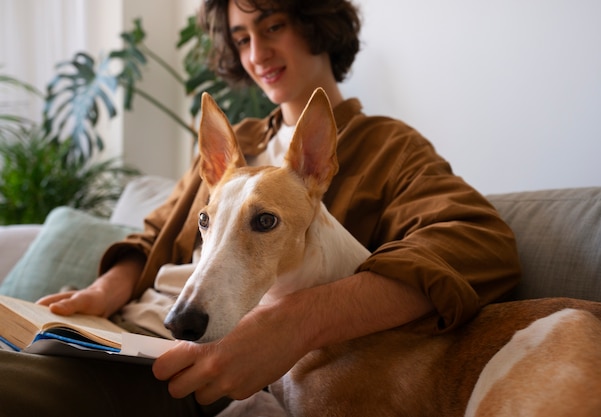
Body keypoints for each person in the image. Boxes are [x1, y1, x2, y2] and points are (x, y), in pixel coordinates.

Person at [0, 0, 521, 415]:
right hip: (122, 334)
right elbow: (156, 234)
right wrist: (100, 293)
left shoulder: (387, 145)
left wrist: (293, 325)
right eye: (242, 39)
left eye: (272, 27)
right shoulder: (236, 143)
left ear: (318, 24)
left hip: (200, 365)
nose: (256, 54)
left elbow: (478, 241)